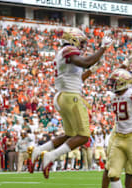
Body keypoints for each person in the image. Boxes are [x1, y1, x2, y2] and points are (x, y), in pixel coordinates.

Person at [30, 28, 113, 178]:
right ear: (73, 39)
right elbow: (86, 62)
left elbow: (78, 78)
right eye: (81, 42)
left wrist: (94, 69)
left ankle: (39, 150)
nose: (82, 45)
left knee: (70, 135)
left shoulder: (63, 54)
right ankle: (51, 156)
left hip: (63, 96)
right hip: (71, 97)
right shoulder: (68, 50)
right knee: (84, 136)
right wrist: (103, 48)